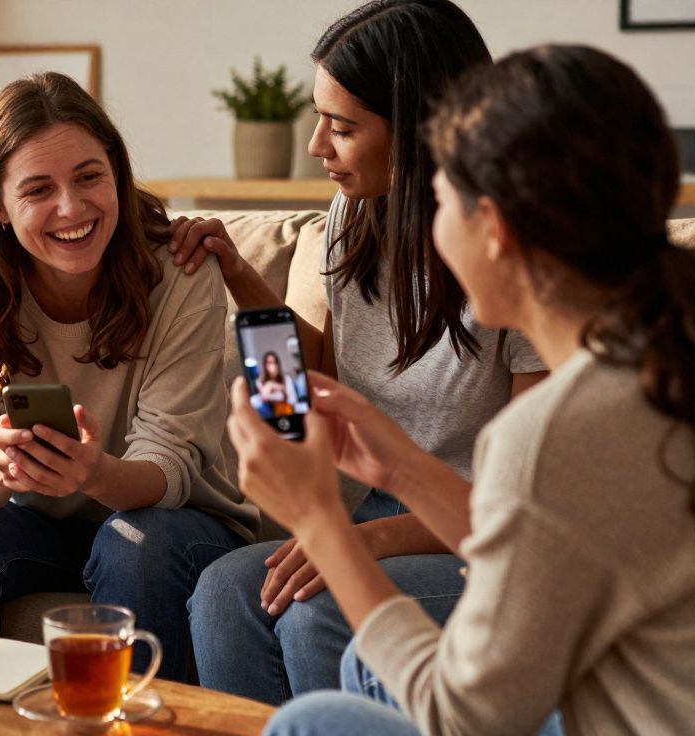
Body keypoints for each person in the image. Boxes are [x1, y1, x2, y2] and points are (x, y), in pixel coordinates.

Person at [253, 44, 695, 735]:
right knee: (346, 689)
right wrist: (399, 464)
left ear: (494, 229)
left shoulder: (559, 429)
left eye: (437, 202)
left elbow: (461, 718)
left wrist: (320, 522)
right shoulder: (654, 358)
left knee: (306, 724)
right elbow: (542, 544)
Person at [179, 0, 548, 704]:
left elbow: (522, 507)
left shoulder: (514, 249)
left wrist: (362, 545)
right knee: (226, 590)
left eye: (342, 127)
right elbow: (301, 396)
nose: (317, 145)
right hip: (373, 510)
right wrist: (239, 278)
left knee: (320, 608)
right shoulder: (353, 217)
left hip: (482, 542)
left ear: (420, 133)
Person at [0, 72, 259, 682]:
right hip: (39, 525)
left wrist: (94, 472)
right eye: (38, 189)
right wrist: (1, 466)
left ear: (117, 173)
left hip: (172, 524)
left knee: (133, 546)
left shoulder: (180, 270)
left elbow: (170, 463)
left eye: (90, 177)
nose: (72, 208)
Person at [257, 351, 298, 418]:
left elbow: (292, 400)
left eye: (275, 362)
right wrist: (273, 386)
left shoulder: (286, 379)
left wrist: (274, 387)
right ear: (265, 366)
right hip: (271, 412)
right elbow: (264, 397)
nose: (273, 365)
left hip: (286, 410)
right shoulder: (260, 381)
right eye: (270, 363)